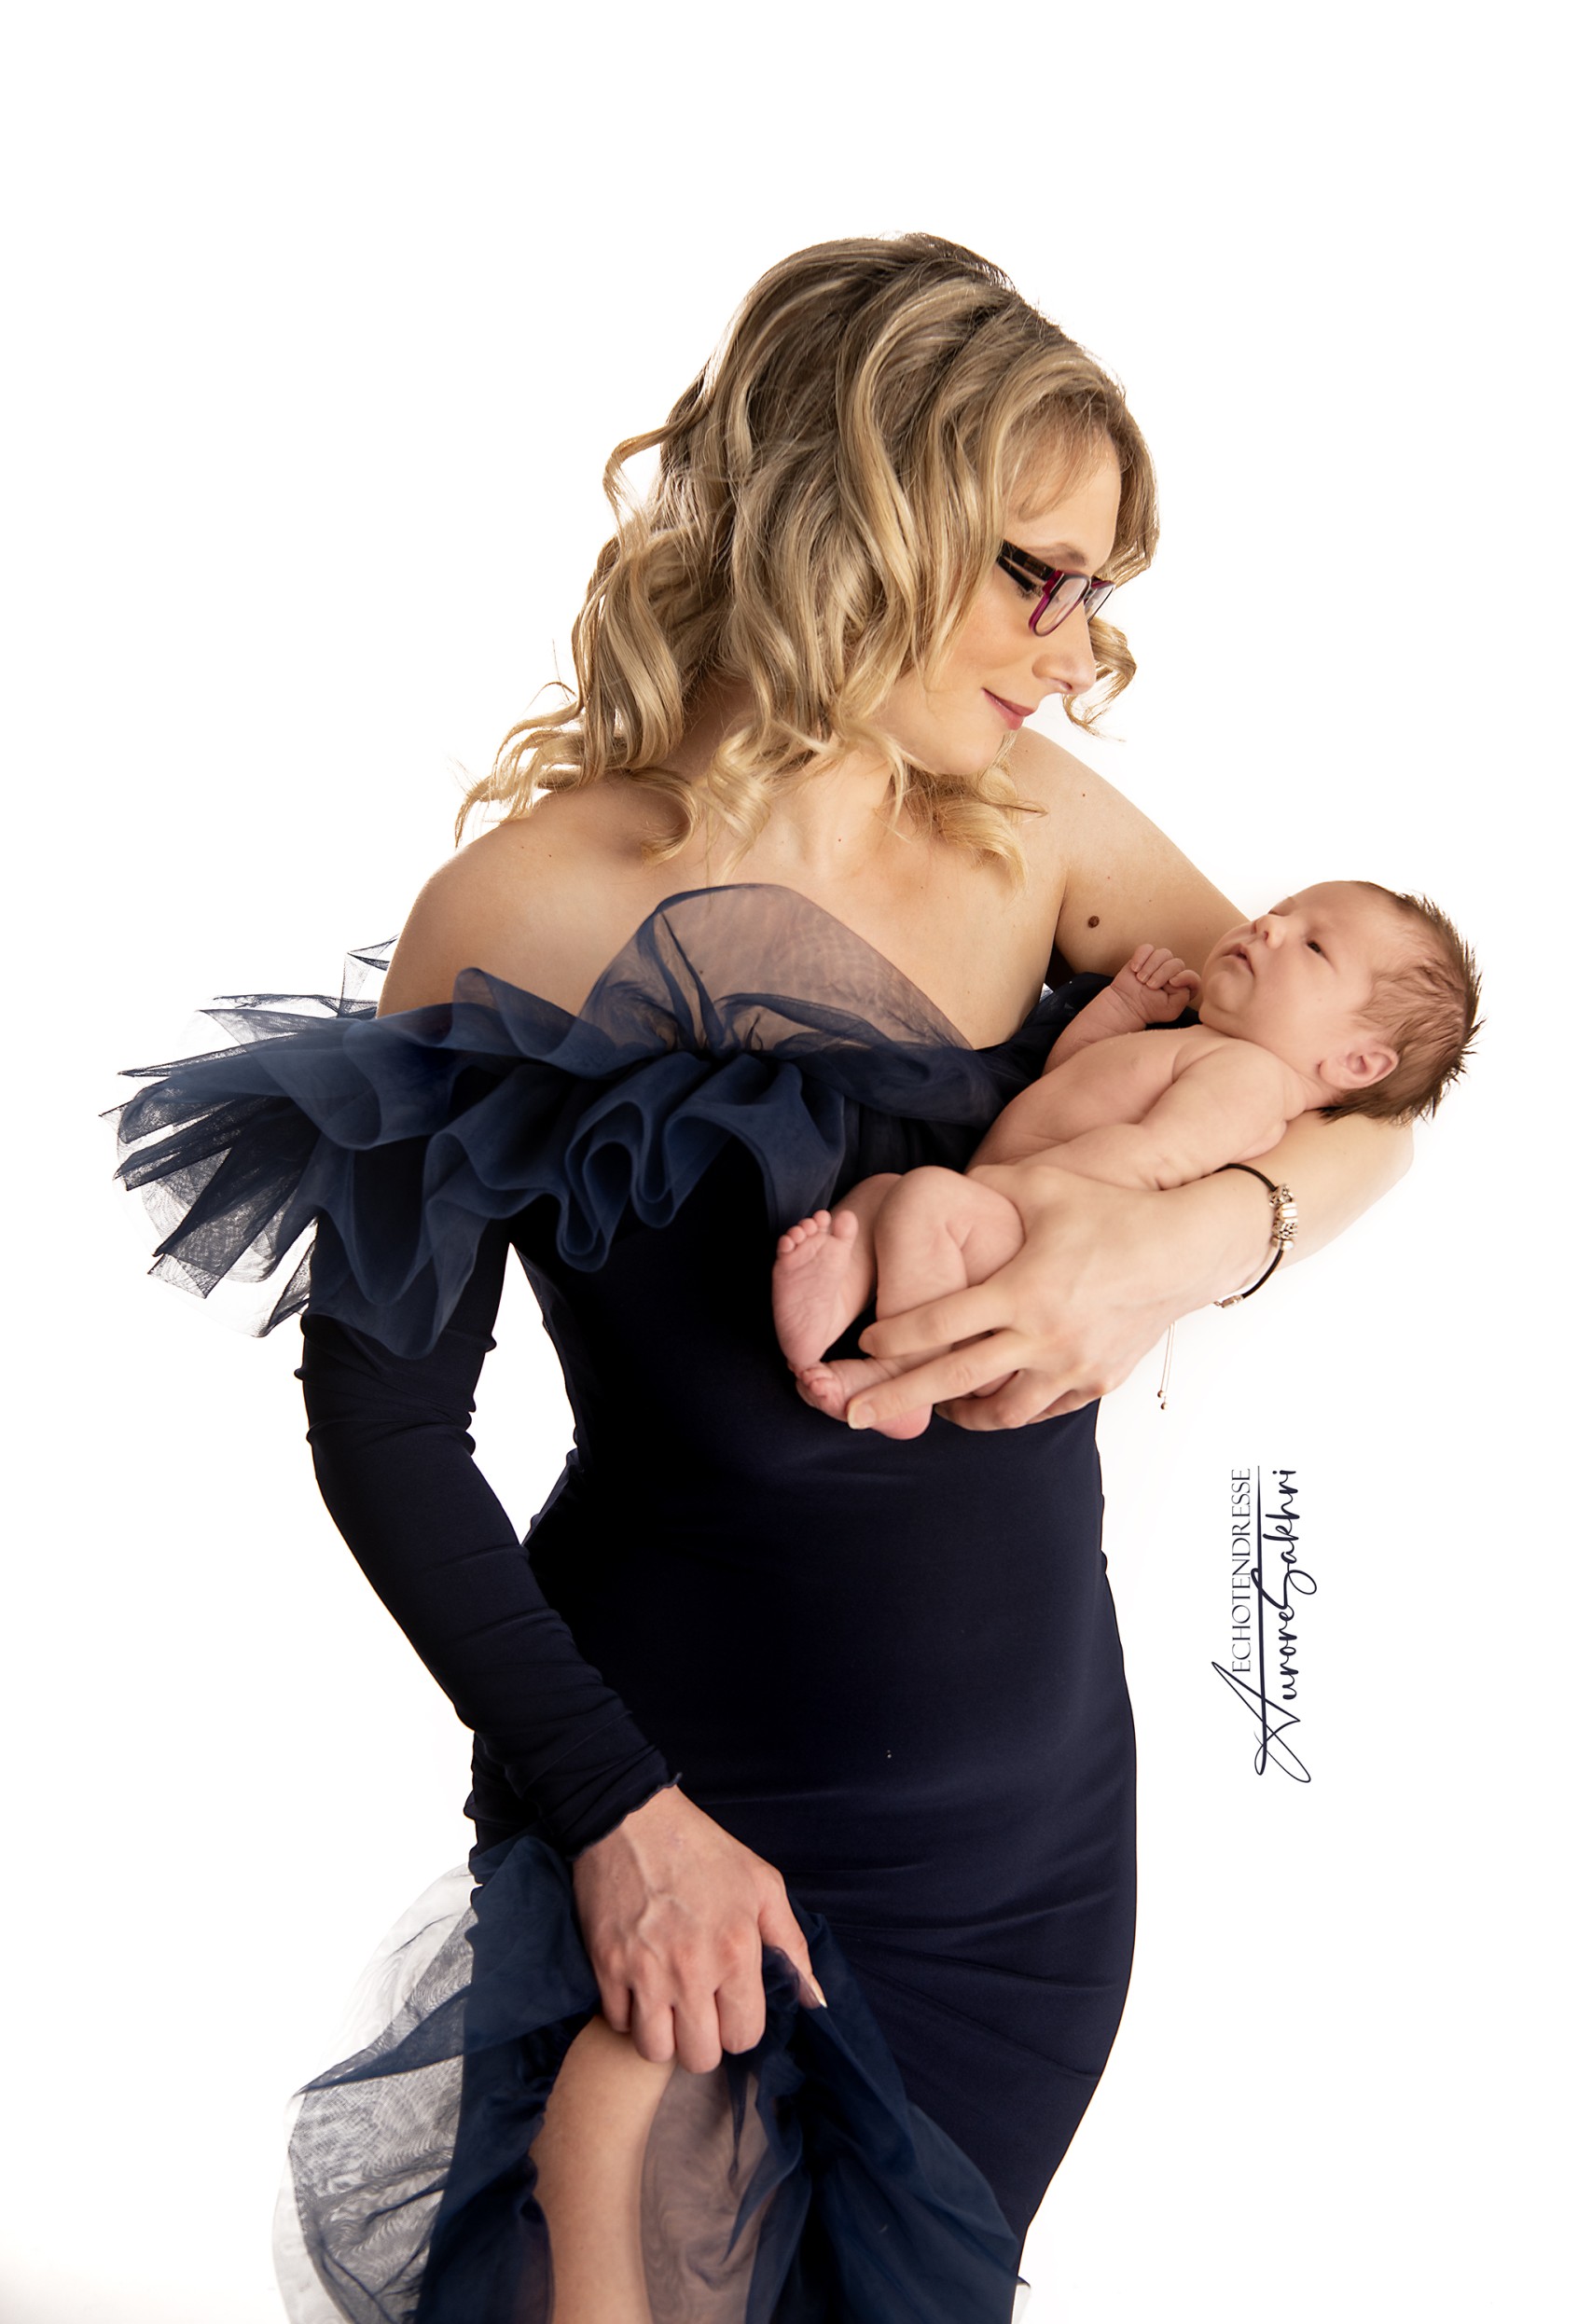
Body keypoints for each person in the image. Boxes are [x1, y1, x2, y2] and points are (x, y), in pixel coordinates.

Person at [112, 235, 1416, 2324]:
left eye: (1096, 592)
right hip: (689, 1819)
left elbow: (1372, 1092)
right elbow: (380, 1431)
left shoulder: (1033, 825)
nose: (1075, 652)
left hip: (1032, 1856)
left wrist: (1177, 1240)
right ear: (854, 515)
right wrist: (621, 1814)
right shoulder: (519, 910)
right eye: (1033, 574)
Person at [775, 881, 1478, 1437]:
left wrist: (1037, 1191)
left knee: (921, 1198)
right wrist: (1122, 1010)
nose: (1268, 925)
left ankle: (901, 1378)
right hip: (1003, 1211)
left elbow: (1156, 1160)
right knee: (882, 1198)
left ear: (1357, 1062)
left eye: (1314, 946)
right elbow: (1066, 1081)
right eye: (1281, 911)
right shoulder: (1201, 1045)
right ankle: (831, 1301)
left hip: (1041, 1240)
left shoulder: (1252, 1079)